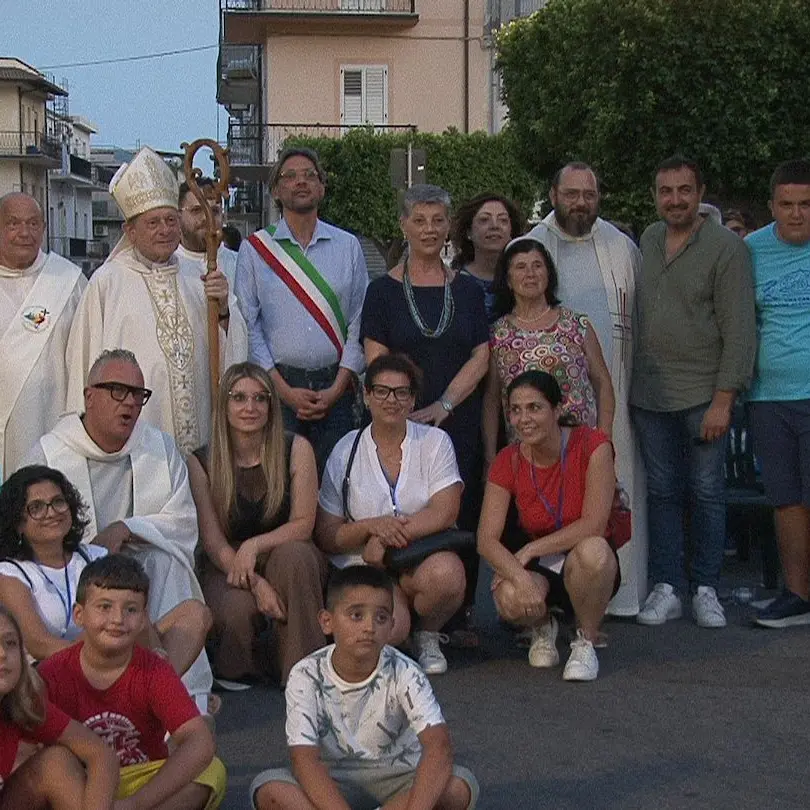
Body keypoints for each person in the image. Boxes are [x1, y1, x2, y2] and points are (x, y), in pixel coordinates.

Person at [26, 349, 214, 711]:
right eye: (117, 390)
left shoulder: (158, 447)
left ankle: (172, 698)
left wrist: (126, 528)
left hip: (141, 563)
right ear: (89, 396)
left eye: (137, 395)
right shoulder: (49, 453)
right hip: (72, 570)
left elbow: (182, 520)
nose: (128, 403)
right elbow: (27, 528)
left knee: (167, 562)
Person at [631, 155, 756, 629]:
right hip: (650, 394)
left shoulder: (727, 248)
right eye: (666, 191)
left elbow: (740, 328)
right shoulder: (648, 238)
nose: (675, 200)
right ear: (655, 195)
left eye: (684, 190)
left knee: (706, 492)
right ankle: (667, 586)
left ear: (700, 193)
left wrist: (725, 399)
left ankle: (706, 587)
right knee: (662, 492)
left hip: (704, 394)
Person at [65, 146, 248, 454]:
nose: (165, 230)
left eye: (170, 220)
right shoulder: (107, 283)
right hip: (135, 439)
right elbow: (82, 366)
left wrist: (225, 310)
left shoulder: (199, 277)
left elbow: (233, 357)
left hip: (201, 435)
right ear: (130, 231)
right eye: (153, 223)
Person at [249, 565, 478, 810]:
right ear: (327, 622)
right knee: (269, 789)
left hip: (401, 777)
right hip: (332, 780)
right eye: (356, 616)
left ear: (391, 626)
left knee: (457, 786)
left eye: (380, 618)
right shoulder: (305, 674)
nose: (369, 627)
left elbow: (438, 746)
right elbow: (303, 759)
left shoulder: (406, 671)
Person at [528, 162, 645, 616]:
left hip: (608, 390)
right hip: (544, 403)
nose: (580, 203)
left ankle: (615, 592)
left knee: (610, 494)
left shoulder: (622, 247)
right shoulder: (534, 245)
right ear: (553, 194)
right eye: (571, 193)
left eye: (589, 195)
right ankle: (555, 597)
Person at [316, 354, 466, 674]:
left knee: (448, 575)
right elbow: (328, 534)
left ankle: (427, 634)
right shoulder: (345, 450)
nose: (391, 400)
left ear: (412, 400)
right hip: (364, 563)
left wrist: (386, 539)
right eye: (382, 391)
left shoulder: (434, 441)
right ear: (367, 396)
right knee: (390, 630)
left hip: (418, 557)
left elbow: (445, 510)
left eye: (401, 392)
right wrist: (373, 528)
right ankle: (403, 632)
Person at [39, 555, 227, 810]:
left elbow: (198, 740)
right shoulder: (52, 671)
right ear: (79, 614)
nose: (117, 619)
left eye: (131, 610)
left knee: (211, 770)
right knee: (53, 765)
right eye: (104, 607)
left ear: (143, 619)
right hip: (82, 782)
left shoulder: (153, 670)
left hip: (141, 778)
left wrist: (137, 803)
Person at [188, 362, 328, 686]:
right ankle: (257, 662)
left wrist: (255, 545)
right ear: (224, 406)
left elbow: (304, 524)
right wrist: (256, 584)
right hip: (229, 561)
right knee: (236, 611)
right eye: (239, 398)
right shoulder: (201, 462)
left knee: (295, 557)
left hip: (285, 547)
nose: (249, 407)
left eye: (260, 398)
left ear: (271, 405)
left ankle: (302, 674)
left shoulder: (296, 448)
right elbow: (213, 543)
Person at [0, 465, 210, 677]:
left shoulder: (95, 555)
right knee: (101, 630)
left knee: (193, 613)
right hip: (54, 670)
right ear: (18, 523)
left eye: (58, 502)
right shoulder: (11, 573)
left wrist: (154, 650)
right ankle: (152, 692)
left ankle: (156, 688)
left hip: (114, 649)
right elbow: (39, 644)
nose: (52, 512)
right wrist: (98, 656)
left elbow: (135, 614)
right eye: (36, 508)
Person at [478, 371, 619, 682]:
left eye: (534, 407)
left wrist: (530, 549)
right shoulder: (508, 459)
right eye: (515, 410)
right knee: (509, 598)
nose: (524, 418)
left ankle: (586, 639)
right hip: (540, 566)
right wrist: (519, 577)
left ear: (556, 410)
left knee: (594, 552)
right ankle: (543, 626)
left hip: (580, 557)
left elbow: (594, 524)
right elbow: (486, 540)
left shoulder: (593, 446)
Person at [235, 147, 368, 474]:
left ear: (322, 187)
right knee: (281, 482)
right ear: (277, 191)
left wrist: (338, 387)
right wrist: (283, 389)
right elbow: (248, 325)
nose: (301, 182)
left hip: (337, 387)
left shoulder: (348, 245)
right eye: (290, 176)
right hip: (278, 388)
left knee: (338, 483)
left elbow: (359, 319)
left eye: (310, 175)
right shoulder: (255, 251)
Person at [746, 159, 810, 627]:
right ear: (771, 206)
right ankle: (796, 594)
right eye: (787, 204)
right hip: (769, 396)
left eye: (806, 204)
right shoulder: (749, 250)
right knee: (786, 498)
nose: (797, 214)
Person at [484, 235, 614, 456]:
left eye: (537, 266)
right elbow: (492, 399)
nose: (530, 274)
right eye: (521, 267)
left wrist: (604, 441)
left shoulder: (576, 325)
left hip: (580, 449)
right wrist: (490, 458)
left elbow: (603, 383)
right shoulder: (498, 334)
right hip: (527, 452)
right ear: (508, 279)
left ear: (548, 273)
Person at [0, 192, 86, 481]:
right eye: (13, 224)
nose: (25, 233)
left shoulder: (69, 280)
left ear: (44, 228)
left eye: (33, 224)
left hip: (55, 423)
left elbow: (86, 355)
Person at [0, 606, 118, 810]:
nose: (2, 653)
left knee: (56, 763)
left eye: (10, 643)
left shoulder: (24, 703)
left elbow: (101, 754)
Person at [450, 192, 524, 323]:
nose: (495, 226)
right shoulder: (452, 283)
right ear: (468, 232)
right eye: (484, 220)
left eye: (503, 220)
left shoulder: (526, 278)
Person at [177, 176, 238, 291]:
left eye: (214, 211)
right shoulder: (169, 266)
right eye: (196, 210)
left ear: (223, 217)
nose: (207, 218)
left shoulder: (239, 265)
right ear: (178, 217)